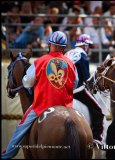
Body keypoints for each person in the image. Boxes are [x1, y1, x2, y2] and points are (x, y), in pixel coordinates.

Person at [2, 31, 78, 159]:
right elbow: (74, 84)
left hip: (42, 105)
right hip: (66, 106)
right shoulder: (71, 63)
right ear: (64, 47)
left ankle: (8, 154)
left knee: (22, 126)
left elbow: (27, 83)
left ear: (49, 44)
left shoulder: (40, 61)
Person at [64, 34, 105, 144]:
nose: (89, 49)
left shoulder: (67, 53)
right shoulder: (83, 56)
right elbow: (86, 80)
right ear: (85, 46)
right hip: (77, 91)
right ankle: (97, 137)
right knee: (99, 111)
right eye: (89, 46)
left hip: (63, 91)